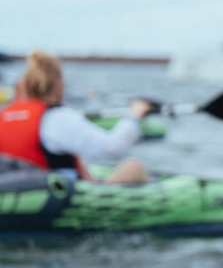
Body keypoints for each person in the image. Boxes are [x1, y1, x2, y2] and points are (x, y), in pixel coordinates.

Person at [0, 51, 151, 184]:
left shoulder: (4, 115)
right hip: (57, 196)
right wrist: (134, 115)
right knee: (134, 167)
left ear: (23, 86)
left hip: (19, 190)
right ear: (60, 89)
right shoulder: (57, 118)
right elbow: (113, 148)